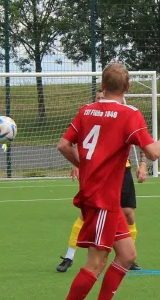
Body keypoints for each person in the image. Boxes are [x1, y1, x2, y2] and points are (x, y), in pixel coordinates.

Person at [46, 63, 160, 300]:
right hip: (102, 198)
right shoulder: (130, 114)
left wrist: (84, 164)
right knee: (96, 261)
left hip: (105, 197)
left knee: (127, 255)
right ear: (127, 87)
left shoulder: (86, 110)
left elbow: (63, 145)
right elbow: (152, 153)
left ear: (102, 85)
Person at [56, 89, 147, 273]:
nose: (100, 100)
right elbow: (75, 142)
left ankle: (128, 257)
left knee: (128, 213)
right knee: (85, 217)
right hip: (99, 174)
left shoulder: (125, 115)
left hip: (123, 171)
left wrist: (143, 164)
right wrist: (79, 164)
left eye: (102, 97)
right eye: (97, 98)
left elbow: (143, 142)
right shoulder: (89, 113)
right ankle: (69, 256)